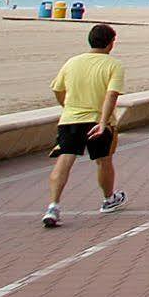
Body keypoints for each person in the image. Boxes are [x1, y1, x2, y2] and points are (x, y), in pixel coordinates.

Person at [45, 23, 126, 226]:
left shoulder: (72, 62)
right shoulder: (113, 65)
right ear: (110, 43)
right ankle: (108, 199)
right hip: (96, 120)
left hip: (71, 119)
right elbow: (111, 95)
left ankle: (53, 206)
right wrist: (102, 122)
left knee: (65, 160)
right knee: (103, 160)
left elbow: (57, 89)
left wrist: (66, 105)